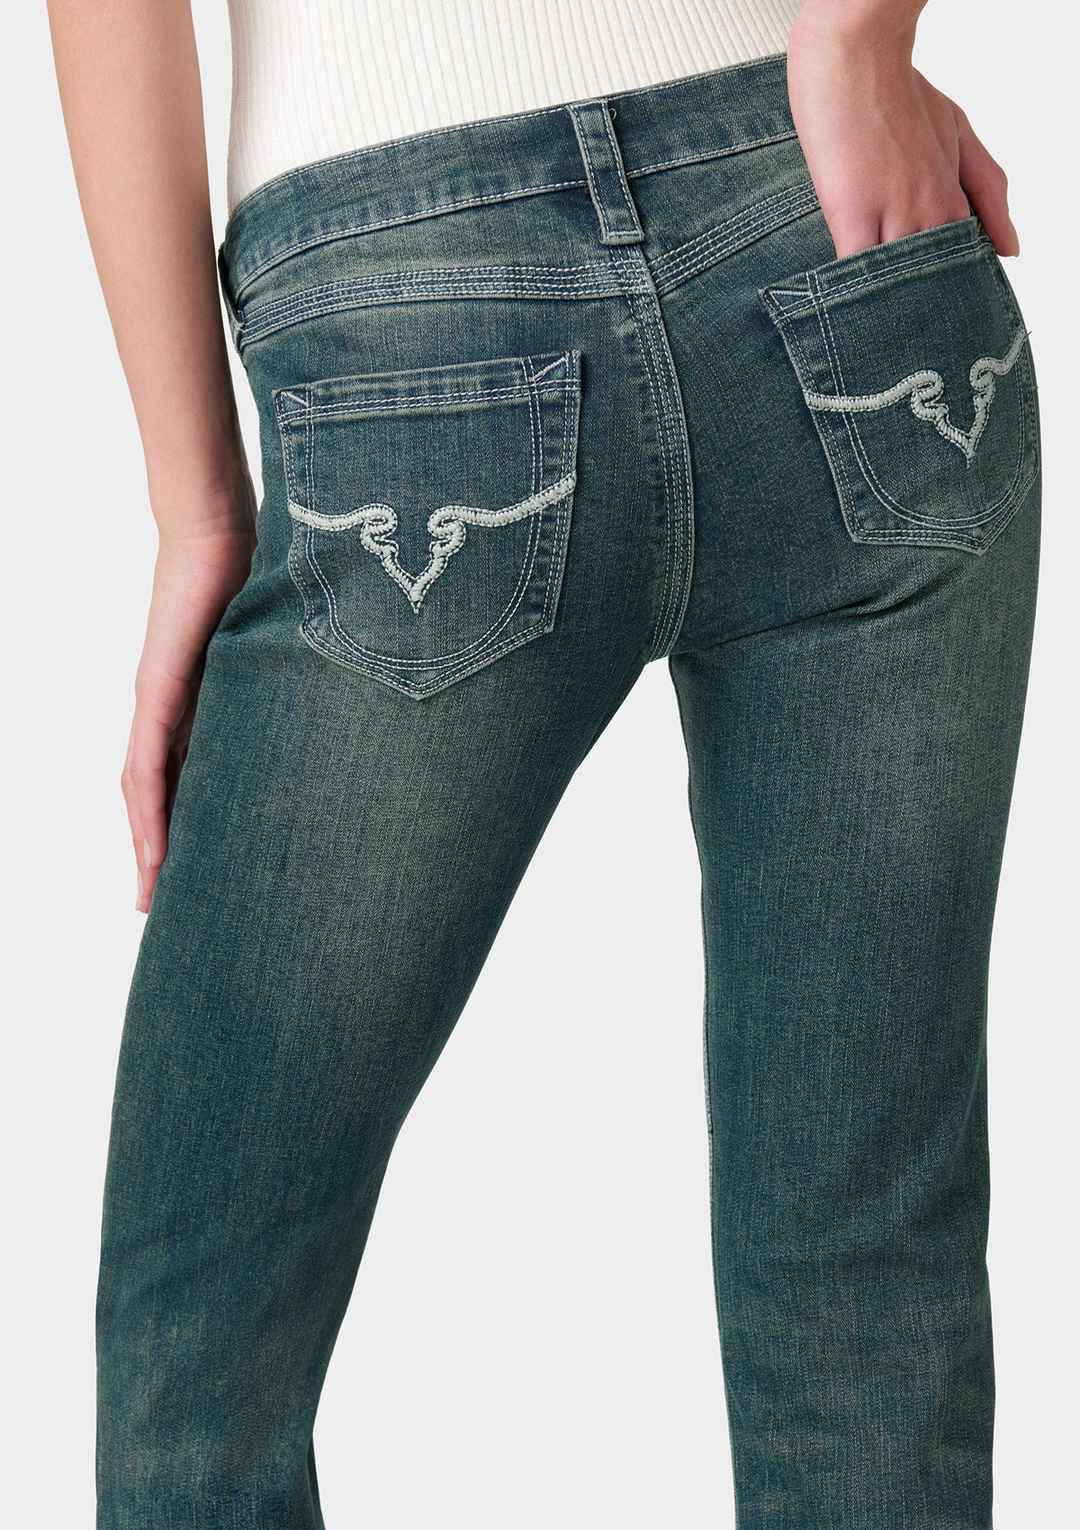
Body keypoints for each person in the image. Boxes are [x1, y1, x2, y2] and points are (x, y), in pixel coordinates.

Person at [49, 1, 1039, 1525]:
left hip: (414, 325)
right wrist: (857, 41)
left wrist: (199, 513)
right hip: (834, 231)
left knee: (205, 1339)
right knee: (868, 1288)